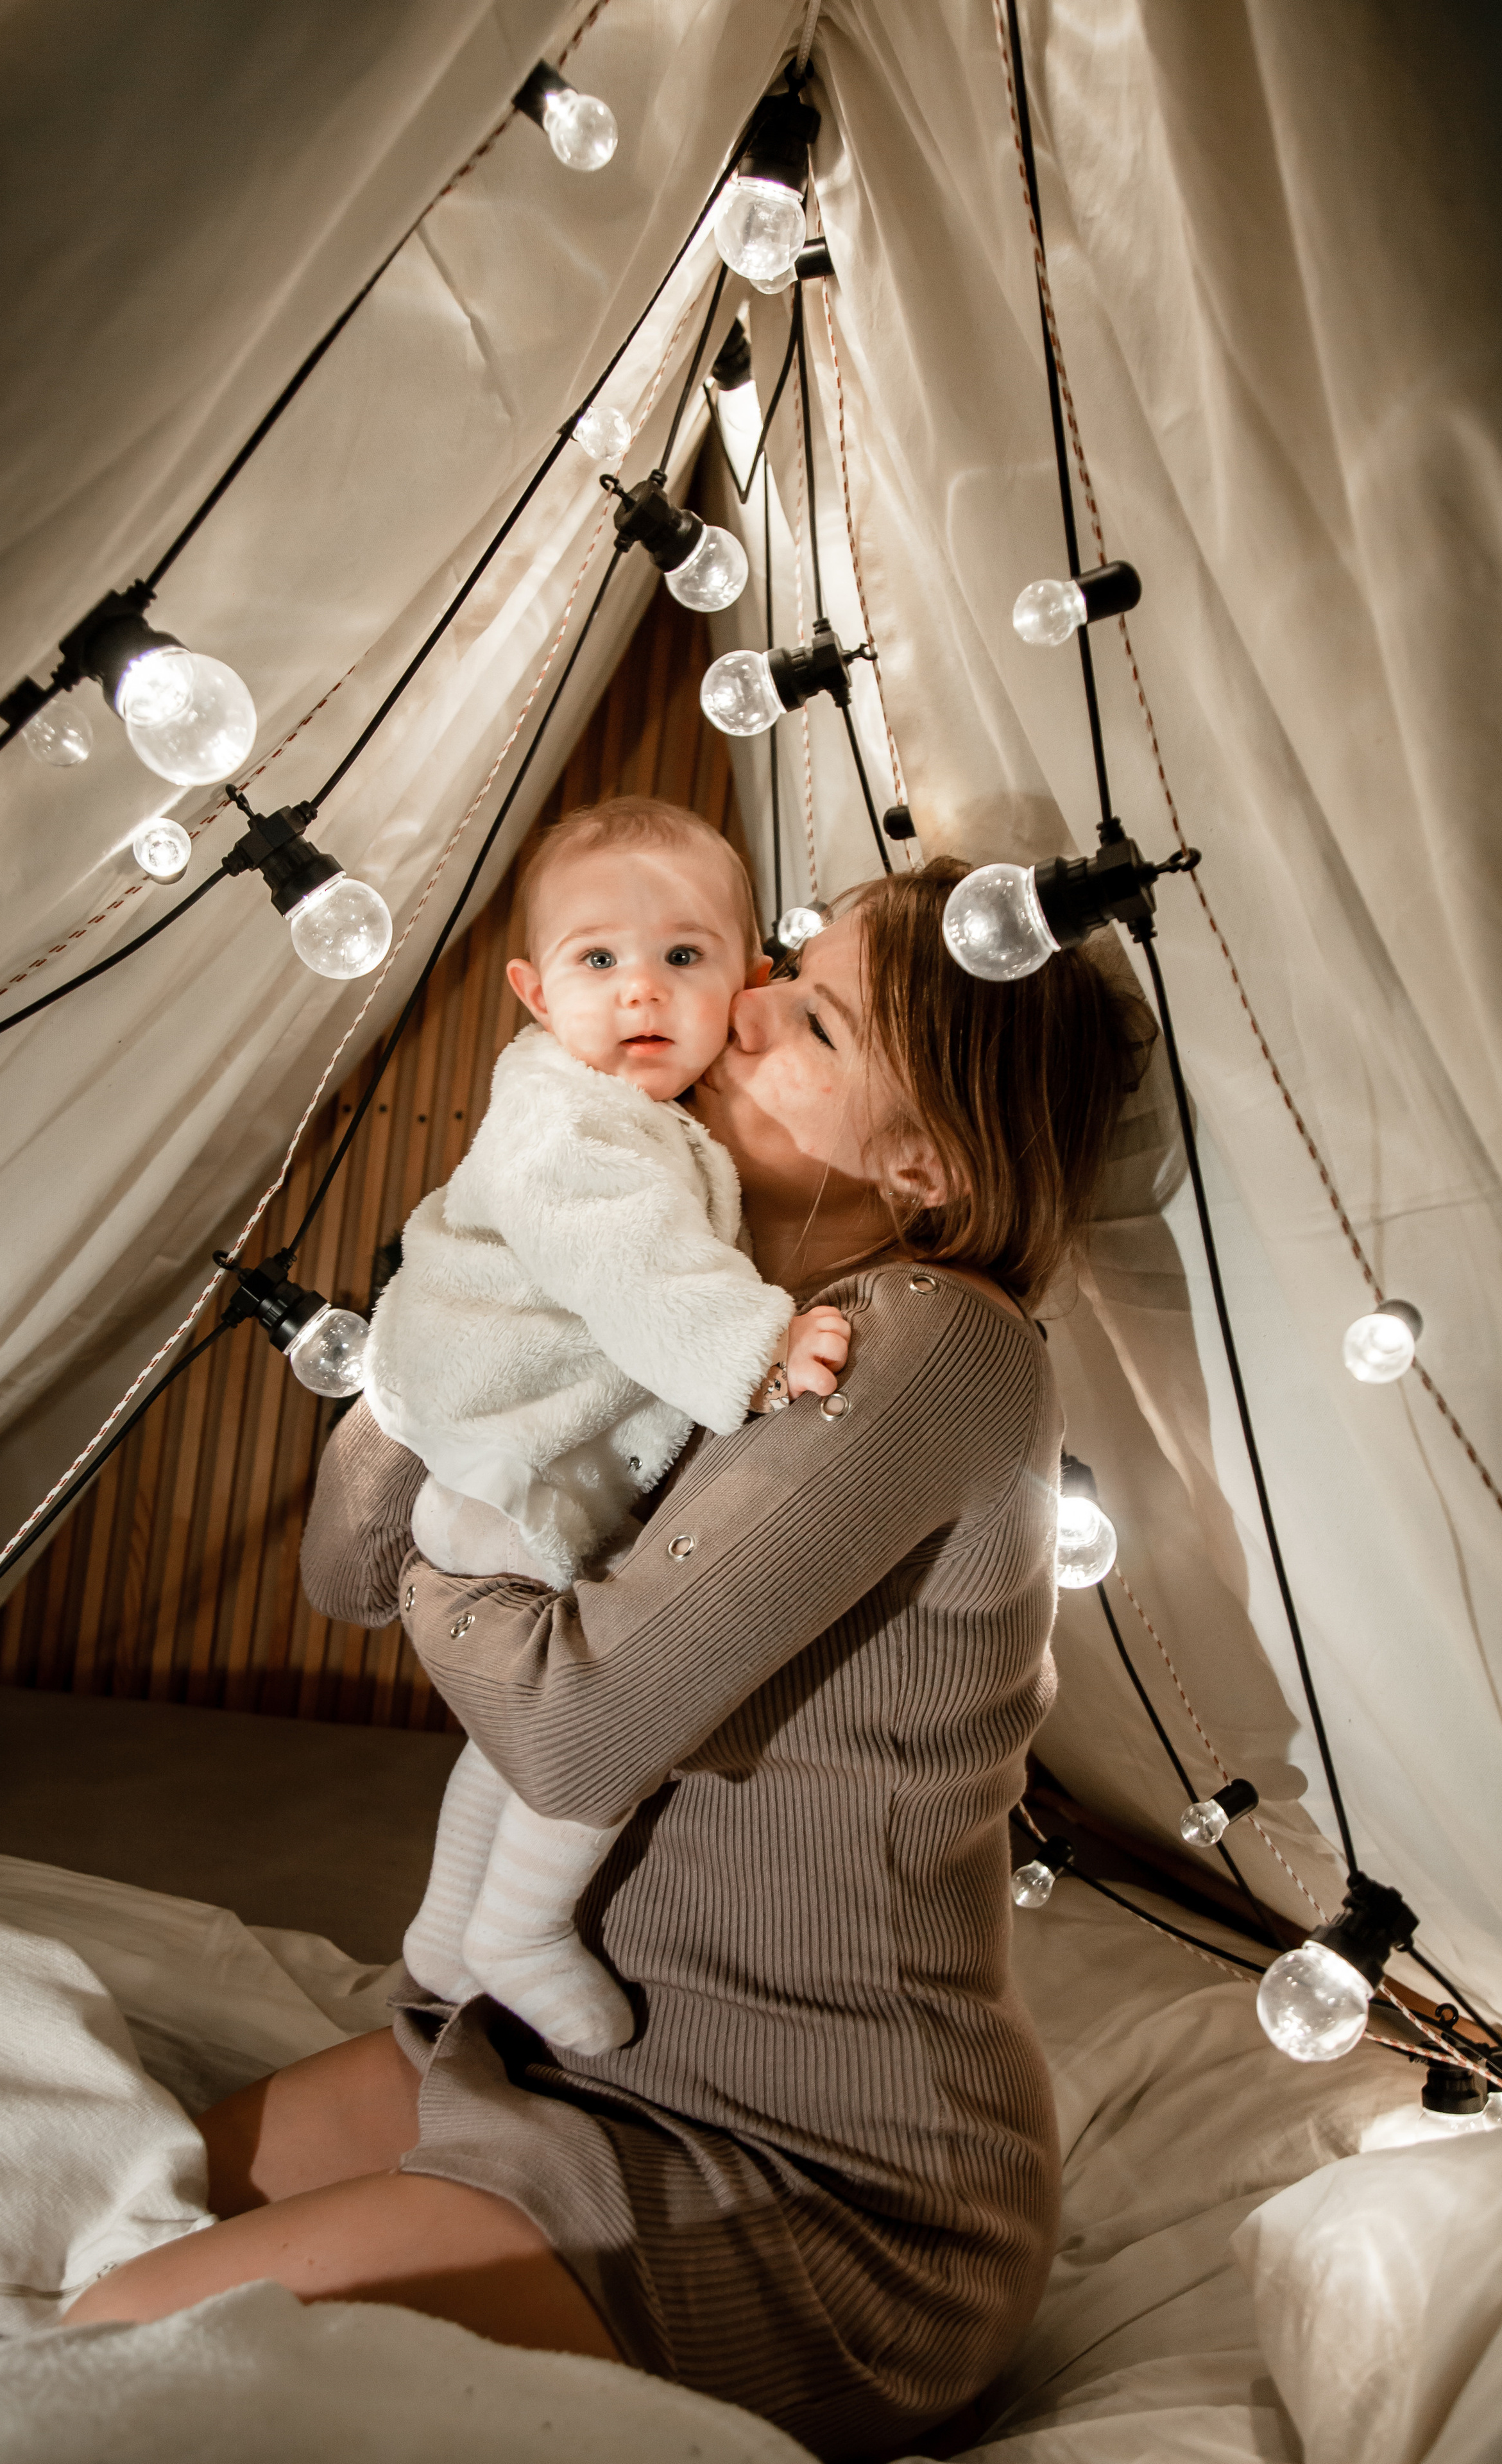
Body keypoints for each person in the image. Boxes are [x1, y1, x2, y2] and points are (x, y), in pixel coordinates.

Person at [67, 855, 1153, 2463]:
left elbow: (569, 1734)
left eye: (814, 1026)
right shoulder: (685, 1305)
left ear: (923, 1162)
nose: (730, 1015)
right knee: (104, 2239)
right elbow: (344, 1579)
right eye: (773, 969)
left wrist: (466, 1515)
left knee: (108, 2369)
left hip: (825, 2188)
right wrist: (468, 1290)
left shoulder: (929, 1340)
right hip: (556, 2058)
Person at [364, 798, 848, 2057]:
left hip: (505, 1469)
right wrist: (758, 1346)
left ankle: (443, 1934)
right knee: (595, 1729)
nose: (641, 991)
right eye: (598, 961)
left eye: (683, 958)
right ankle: (519, 1935)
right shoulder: (568, 1122)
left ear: (744, 978)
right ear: (533, 992)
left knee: (503, 1737)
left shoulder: (641, 1116)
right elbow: (627, 1260)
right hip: (503, 1472)